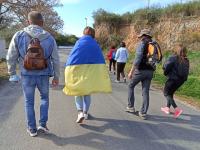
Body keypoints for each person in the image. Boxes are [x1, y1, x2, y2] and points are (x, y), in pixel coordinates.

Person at [6, 11, 60, 137]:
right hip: (44, 74)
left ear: (28, 21)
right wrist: (56, 77)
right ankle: (42, 124)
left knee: (28, 101)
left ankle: (32, 128)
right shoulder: (49, 37)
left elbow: (11, 56)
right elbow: (55, 59)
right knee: (44, 98)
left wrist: (12, 73)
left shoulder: (19, 35)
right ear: (42, 22)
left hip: (26, 74)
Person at [63, 26, 111, 124]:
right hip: (90, 73)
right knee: (87, 93)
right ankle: (85, 113)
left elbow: (72, 57)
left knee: (77, 92)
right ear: (93, 34)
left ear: (84, 33)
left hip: (77, 71)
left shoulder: (78, 43)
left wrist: (68, 69)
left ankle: (80, 112)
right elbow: (100, 59)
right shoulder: (95, 44)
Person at [126, 29, 156, 120]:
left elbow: (137, 59)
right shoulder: (154, 44)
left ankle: (131, 107)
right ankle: (143, 112)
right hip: (150, 71)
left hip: (141, 70)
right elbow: (156, 59)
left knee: (130, 85)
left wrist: (131, 71)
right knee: (145, 91)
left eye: (140, 36)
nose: (140, 38)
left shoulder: (142, 44)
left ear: (144, 36)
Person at [161, 44, 189, 118]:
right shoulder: (186, 60)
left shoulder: (173, 57)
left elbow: (166, 67)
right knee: (171, 93)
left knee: (166, 93)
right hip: (181, 81)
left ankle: (177, 109)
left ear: (177, 50)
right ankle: (167, 108)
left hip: (173, 79)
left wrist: (165, 73)